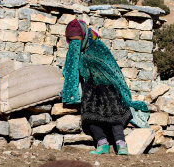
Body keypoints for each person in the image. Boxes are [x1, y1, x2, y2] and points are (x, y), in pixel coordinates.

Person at [61, 19, 150, 155]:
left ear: (84, 36)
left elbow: (112, 70)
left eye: (77, 40)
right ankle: (102, 144)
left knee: (113, 108)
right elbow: (76, 73)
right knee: (88, 111)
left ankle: (121, 144)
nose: (75, 44)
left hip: (108, 85)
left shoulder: (98, 47)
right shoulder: (76, 52)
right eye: (72, 41)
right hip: (90, 87)